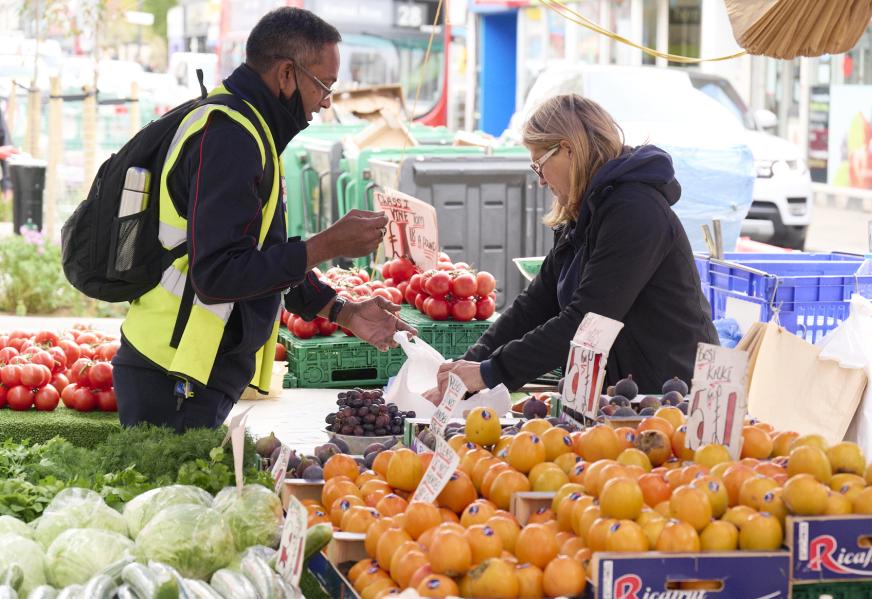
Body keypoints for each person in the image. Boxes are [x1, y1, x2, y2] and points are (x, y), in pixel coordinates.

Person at [113, 7, 415, 431]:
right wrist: (329, 245)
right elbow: (218, 274)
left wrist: (340, 310)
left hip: (190, 367)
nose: (327, 100)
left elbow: (261, 253)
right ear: (287, 74)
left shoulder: (247, 129)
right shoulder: (230, 137)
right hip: (174, 373)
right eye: (324, 84)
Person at [426, 93, 717, 401]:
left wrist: (489, 372)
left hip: (669, 396)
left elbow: (588, 321)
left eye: (539, 165)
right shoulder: (588, 212)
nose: (540, 180)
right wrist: (472, 361)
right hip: (619, 396)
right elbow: (537, 302)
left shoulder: (635, 211)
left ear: (567, 149)